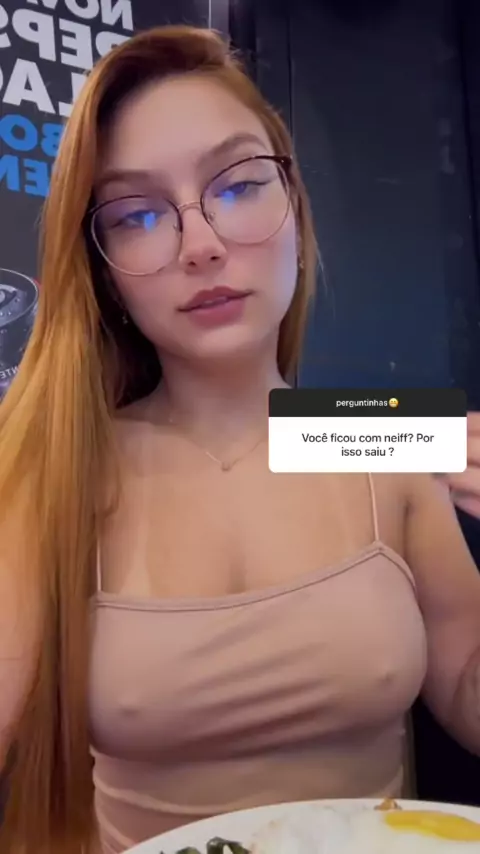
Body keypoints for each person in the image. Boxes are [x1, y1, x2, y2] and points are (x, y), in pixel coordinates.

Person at [1, 24, 480, 854]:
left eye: (238, 185)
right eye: (138, 214)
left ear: (295, 205)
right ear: (103, 269)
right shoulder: (60, 465)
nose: (201, 245)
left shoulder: (377, 429)